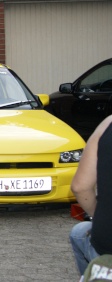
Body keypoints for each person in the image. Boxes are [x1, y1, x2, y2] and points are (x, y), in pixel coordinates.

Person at [69, 114, 112, 276]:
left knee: (79, 232)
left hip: (107, 248)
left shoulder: (107, 125)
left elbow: (80, 187)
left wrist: (100, 216)